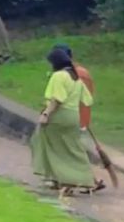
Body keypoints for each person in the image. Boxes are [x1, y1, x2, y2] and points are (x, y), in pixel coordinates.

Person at [31, 46, 103, 195]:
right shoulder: (75, 77)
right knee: (73, 148)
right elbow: (87, 100)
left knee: (48, 144)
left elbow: (57, 99)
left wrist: (46, 114)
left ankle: (60, 178)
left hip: (59, 116)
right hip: (73, 116)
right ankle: (85, 180)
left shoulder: (58, 76)